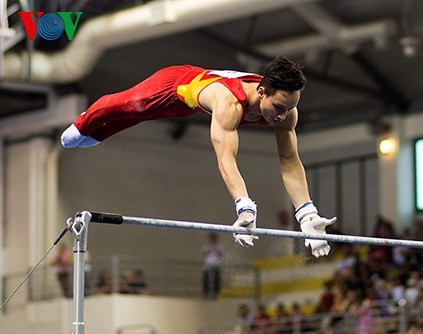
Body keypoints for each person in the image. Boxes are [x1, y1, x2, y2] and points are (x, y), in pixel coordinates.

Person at [60, 56, 336, 257]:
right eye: (278, 107)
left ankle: (95, 135)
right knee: (132, 107)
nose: (282, 116)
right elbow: (226, 159)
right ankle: (84, 123)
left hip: (191, 106)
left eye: (288, 109)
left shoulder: (286, 113)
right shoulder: (228, 104)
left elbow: (289, 162)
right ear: (262, 92)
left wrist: (306, 213)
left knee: (137, 118)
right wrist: (245, 207)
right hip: (174, 86)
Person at [202, 232, 225, 299]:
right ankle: (205, 294)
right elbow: (204, 253)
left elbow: (221, 254)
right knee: (206, 279)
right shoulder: (206, 245)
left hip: (216, 263)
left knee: (216, 279)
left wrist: (215, 248)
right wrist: (209, 248)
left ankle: (216, 294)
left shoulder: (219, 245)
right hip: (208, 263)